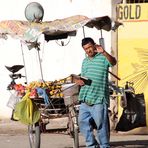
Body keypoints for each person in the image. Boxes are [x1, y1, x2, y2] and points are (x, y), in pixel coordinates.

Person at [75, 37, 117, 148]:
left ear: (94, 45)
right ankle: (92, 145)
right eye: (85, 49)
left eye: (89, 47)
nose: (88, 50)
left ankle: (104, 146)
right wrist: (79, 80)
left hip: (99, 99)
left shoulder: (103, 58)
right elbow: (83, 76)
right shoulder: (84, 61)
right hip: (85, 99)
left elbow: (113, 62)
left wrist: (104, 52)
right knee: (82, 123)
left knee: (101, 125)